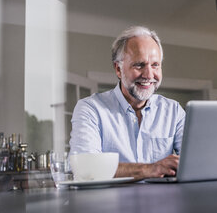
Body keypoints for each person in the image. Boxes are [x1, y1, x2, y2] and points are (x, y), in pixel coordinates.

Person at [69, 26, 185, 179]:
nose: (149, 74)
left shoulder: (174, 111)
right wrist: (150, 169)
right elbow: (85, 168)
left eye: (155, 65)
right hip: (109, 203)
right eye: (139, 65)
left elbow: (198, 162)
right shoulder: (91, 109)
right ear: (118, 69)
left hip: (164, 202)